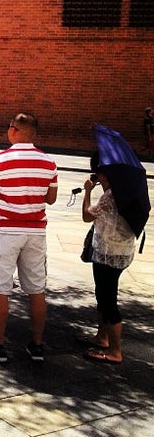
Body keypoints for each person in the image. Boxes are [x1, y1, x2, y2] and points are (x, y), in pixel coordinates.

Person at [0, 112, 57, 363]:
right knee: (36, 289)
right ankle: (37, 345)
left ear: (14, 131)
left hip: (6, 230)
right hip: (36, 231)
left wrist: (1, 192)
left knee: (0, 288)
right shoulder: (49, 163)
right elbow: (50, 199)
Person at [78, 153, 136, 364]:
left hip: (107, 254)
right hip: (122, 252)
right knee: (104, 294)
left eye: (98, 172)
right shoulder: (126, 192)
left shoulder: (110, 197)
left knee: (108, 300)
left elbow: (86, 216)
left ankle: (115, 351)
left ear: (104, 172)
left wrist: (87, 192)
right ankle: (102, 337)